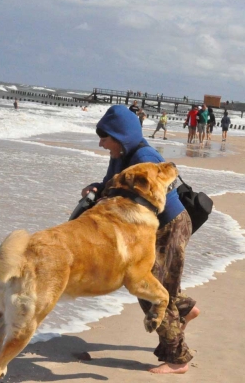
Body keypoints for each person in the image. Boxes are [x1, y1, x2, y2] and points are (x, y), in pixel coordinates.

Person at [81, 105, 199, 374]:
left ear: (121, 136)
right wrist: (98, 189)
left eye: (105, 137)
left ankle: (177, 360)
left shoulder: (145, 156)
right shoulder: (120, 154)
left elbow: (156, 192)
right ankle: (186, 310)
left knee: (150, 291)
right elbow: (112, 183)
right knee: (158, 285)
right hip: (151, 227)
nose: (101, 143)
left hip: (169, 227)